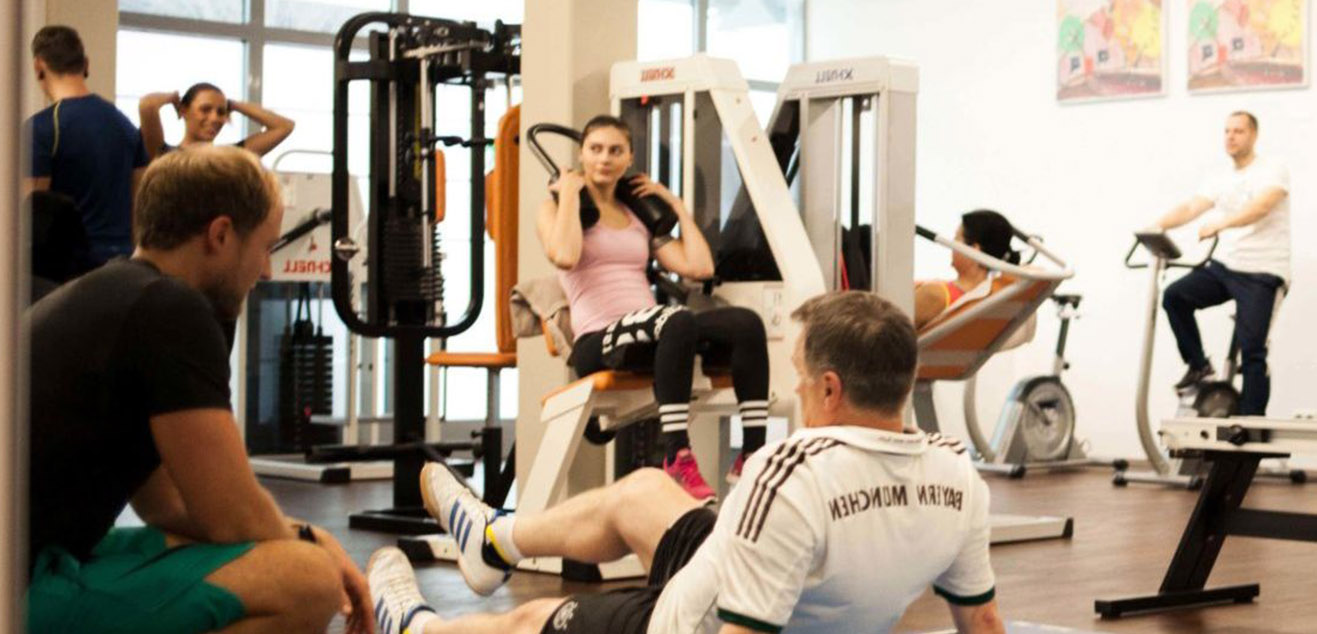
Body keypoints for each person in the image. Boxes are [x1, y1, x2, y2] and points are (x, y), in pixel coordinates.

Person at [366, 291, 1005, 634]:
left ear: (831, 388)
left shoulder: (789, 471)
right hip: (744, 572)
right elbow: (983, 623)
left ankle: (418, 631)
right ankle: (492, 540)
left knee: (533, 620)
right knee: (643, 490)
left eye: (802, 379)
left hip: (681, 625)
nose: (800, 391)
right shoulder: (956, 472)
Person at [26, 146, 373, 634]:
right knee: (307, 579)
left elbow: (166, 504)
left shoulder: (117, 294)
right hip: (22, 589)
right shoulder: (169, 309)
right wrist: (315, 548)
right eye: (265, 248)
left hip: (38, 561)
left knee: (199, 542)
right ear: (221, 234)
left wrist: (306, 532)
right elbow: (233, 517)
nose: (267, 271)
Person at [537, 114, 770, 499]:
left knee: (746, 323)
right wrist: (568, 196)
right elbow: (563, 255)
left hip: (656, 329)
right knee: (675, 320)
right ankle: (677, 455)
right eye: (595, 149)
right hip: (598, 340)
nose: (604, 158)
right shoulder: (556, 209)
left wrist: (674, 206)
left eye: (615, 151)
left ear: (629, 158)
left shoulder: (636, 217)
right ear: (581, 154)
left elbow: (699, 266)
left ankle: (753, 453)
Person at [1149, 111, 1289, 415]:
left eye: (1238, 131)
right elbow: (1190, 207)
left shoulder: (1272, 169)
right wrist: (1156, 227)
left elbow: (1262, 207)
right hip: (1226, 266)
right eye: (1226, 131)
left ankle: (1250, 423)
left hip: (1263, 271)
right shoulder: (1220, 176)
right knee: (1175, 296)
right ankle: (1198, 365)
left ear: (1253, 135)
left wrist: (1222, 223)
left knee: (1252, 350)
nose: (1231, 136)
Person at [25, 25, 149, 268]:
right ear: (86, 64)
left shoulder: (43, 128)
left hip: (65, 273)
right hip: (119, 266)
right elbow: (140, 206)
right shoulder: (124, 126)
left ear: (39, 66)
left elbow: (30, 215)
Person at [913, 209, 1019, 330]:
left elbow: (890, 333)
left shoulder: (936, 294)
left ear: (973, 249)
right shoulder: (991, 303)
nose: (952, 246)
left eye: (956, 239)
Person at [139, 82, 296, 161]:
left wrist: (234, 105)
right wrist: (172, 97)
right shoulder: (164, 155)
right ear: (183, 110)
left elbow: (284, 126)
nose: (215, 118)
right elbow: (147, 105)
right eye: (205, 109)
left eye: (221, 112)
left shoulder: (230, 158)